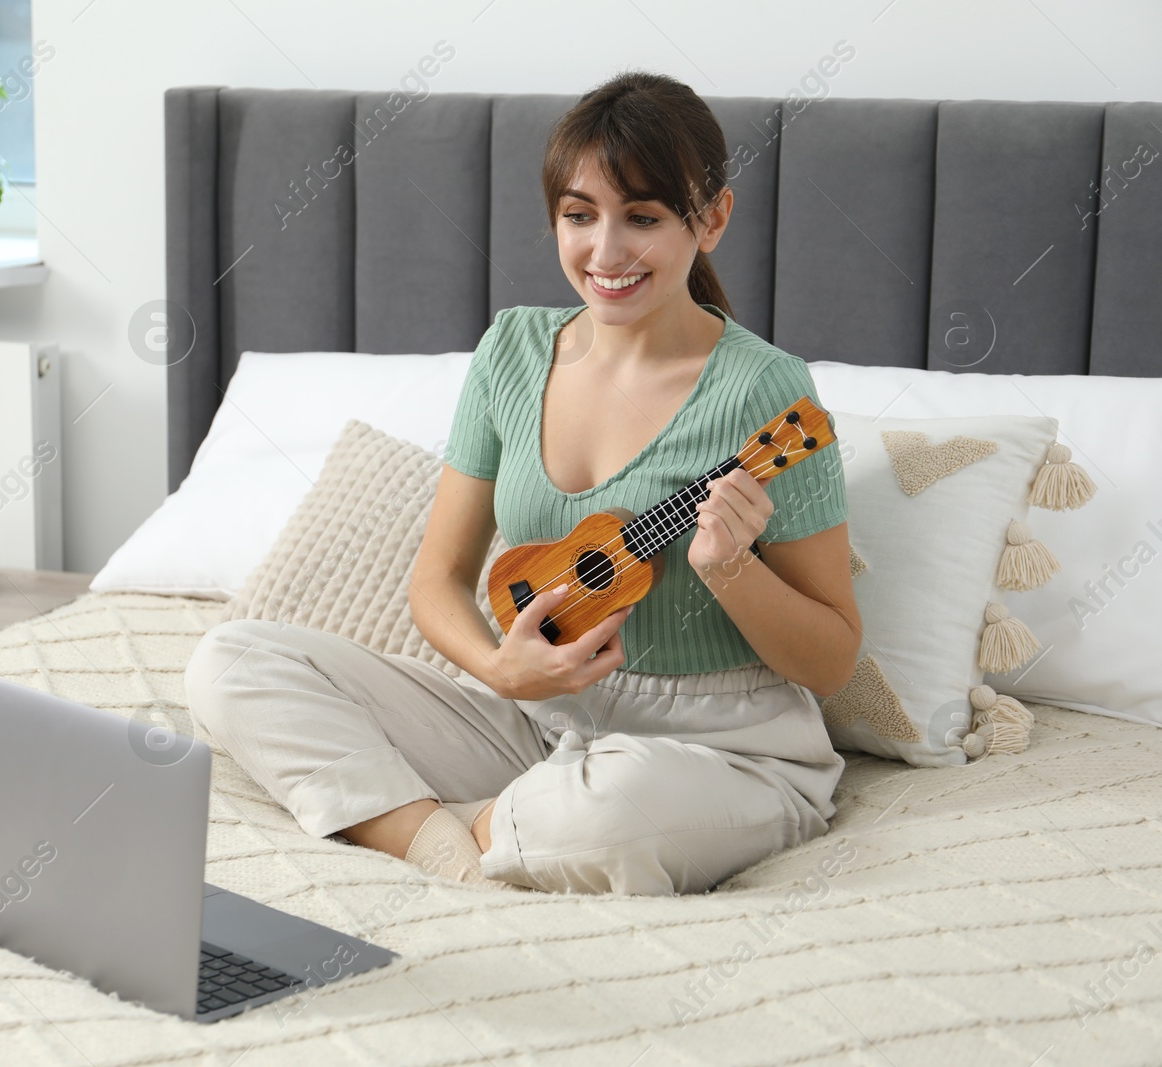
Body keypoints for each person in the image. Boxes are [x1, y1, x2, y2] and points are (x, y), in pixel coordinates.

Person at [184, 70, 861, 896]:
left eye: (642, 218)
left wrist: (731, 568)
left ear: (712, 218)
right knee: (232, 661)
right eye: (580, 216)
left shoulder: (766, 393)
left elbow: (831, 661)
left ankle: (459, 823)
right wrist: (501, 670)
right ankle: (455, 839)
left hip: (722, 745)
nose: (605, 254)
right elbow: (437, 582)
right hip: (529, 716)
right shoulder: (511, 351)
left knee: (606, 817)